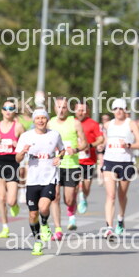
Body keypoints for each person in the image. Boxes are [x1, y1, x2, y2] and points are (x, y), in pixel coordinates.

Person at [15, 109, 64, 255]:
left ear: (47, 120)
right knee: (32, 214)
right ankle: (37, 242)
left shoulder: (54, 134)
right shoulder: (26, 136)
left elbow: (62, 150)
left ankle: (44, 223)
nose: (40, 121)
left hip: (49, 178)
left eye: (43, 118)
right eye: (38, 118)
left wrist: (59, 157)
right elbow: (17, 158)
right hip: (32, 180)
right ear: (34, 120)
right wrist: (23, 152)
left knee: (43, 207)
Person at [101, 99, 139, 238]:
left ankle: (120, 217)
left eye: (121, 108)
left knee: (121, 195)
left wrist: (129, 145)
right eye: (116, 108)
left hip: (126, 162)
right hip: (109, 162)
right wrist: (102, 145)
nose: (118, 111)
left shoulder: (130, 124)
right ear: (112, 110)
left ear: (125, 110)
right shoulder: (107, 125)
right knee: (111, 195)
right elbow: (105, 141)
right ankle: (109, 227)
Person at [47, 97, 87, 236]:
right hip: (55, 165)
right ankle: (58, 229)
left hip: (71, 165)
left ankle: (71, 211)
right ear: (54, 108)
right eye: (58, 107)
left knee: (69, 199)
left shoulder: (75, 123)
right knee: (55, 196)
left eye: (64, 107)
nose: (61, 110)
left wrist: (76, 150)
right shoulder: (50, 123)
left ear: (68, 109)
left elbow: (84, 143)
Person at [0, 100, 24, 238]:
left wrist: (17, 144)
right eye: (5, 108)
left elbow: (26, 147)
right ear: (1, 111)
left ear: (14, 111)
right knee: (1, 198)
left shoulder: (18, 127)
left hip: (13, 164)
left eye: (11, 108)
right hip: (0, 163)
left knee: (10, 200)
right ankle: (5, 227)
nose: (8, 111)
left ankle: (14, 205)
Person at [75, 101, 104, 214]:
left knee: (86, 187)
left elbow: (100, 139)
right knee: (74, 184)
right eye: (79, 110)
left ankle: (83, 197)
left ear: (87, 111)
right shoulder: (71, 123)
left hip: (89, 160)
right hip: (74, 159)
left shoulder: (93, 124)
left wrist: (90, 145)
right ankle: (73, 204)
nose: (81, 112)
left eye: (83, 110)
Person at [17, 102, 34, 204]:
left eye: (30, 107)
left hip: (31, 148)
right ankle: (21, 189)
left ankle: (27, 188)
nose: (28, 109)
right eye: (26, 107)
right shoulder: (18, 119)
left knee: (28, 169)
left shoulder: (34, 119)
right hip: (21, 147)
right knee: (21, 170)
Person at [96, 113, 111, 185]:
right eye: (104, 119)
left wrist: (105, 144)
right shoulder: (100, 126)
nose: (105, 120)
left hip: (109, 147)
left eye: (107, 119)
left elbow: (108, 138)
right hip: (100, 146)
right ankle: (100, 177)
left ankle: (106, 177)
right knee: (101, 162)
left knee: (107, 162)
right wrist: (99, 145)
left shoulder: (111, 127)